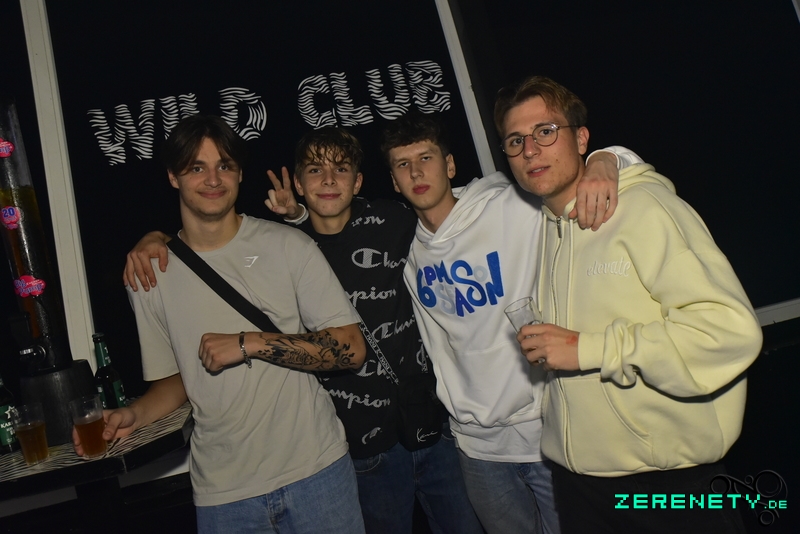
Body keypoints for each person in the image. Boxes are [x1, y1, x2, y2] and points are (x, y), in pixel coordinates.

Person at [124, 127, 484, 534]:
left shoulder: (391, 221)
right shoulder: (291, 238)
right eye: (315, 170)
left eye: (341, 169)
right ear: (298, 184)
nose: (328, 180)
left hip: (428, 423)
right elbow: (179, 377)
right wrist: (155, 238)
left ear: (358, 181)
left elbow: (450, 216)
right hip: (359, 445)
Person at [496, 76, 762, 533]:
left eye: (545, 131)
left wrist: (589, 348)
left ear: (582, 139)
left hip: (667, 485)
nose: (531, 150)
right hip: (579, 484)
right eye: (516, 141)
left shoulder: (643, 208)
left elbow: (728, 329)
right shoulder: (548, 226)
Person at [78, 114, 367, 534]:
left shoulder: (289, 245)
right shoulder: (150, 276)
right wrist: (135, 414)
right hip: (224, 494)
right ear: (173, 176)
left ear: (240, 174)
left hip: (316, 472)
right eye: (197, 167)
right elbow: (177, 380)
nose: (213, 179)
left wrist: (251, 342)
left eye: (225, 166)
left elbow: (351, 349)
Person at [381, 112, 642, 534]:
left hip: (548, 432)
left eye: (426, 158)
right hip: (477, 448)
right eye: (402, 164)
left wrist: (603, 160)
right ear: (394, 182)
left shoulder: (508, 204)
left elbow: (619, 168)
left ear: (449, 165)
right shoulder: (399, 244)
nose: (416, 172)